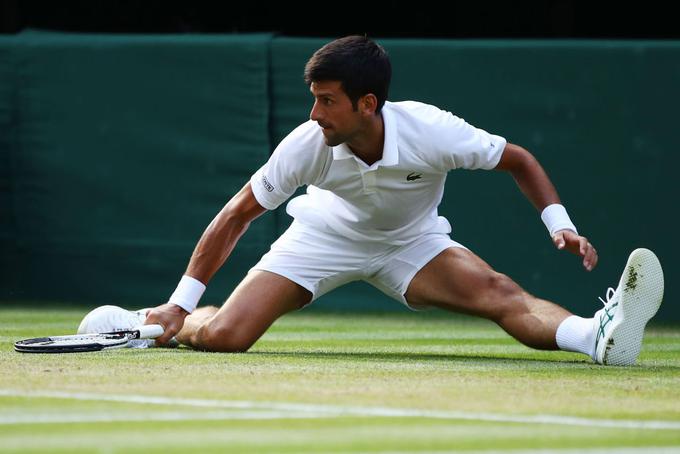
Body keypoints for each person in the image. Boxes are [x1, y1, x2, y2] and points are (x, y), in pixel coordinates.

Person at [78, 35, 664, 365]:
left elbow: (518, 159)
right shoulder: (308, 143)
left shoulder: (430, 129)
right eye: (313, 98)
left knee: (500, 294)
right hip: (321, 238)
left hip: (411, 242)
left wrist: (558, 224)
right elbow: (236, 216)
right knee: (228, 335)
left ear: (368, 103)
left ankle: (596, 336)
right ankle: (154, 323)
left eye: (327, 100)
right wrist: (182, 302)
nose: (314, 113)